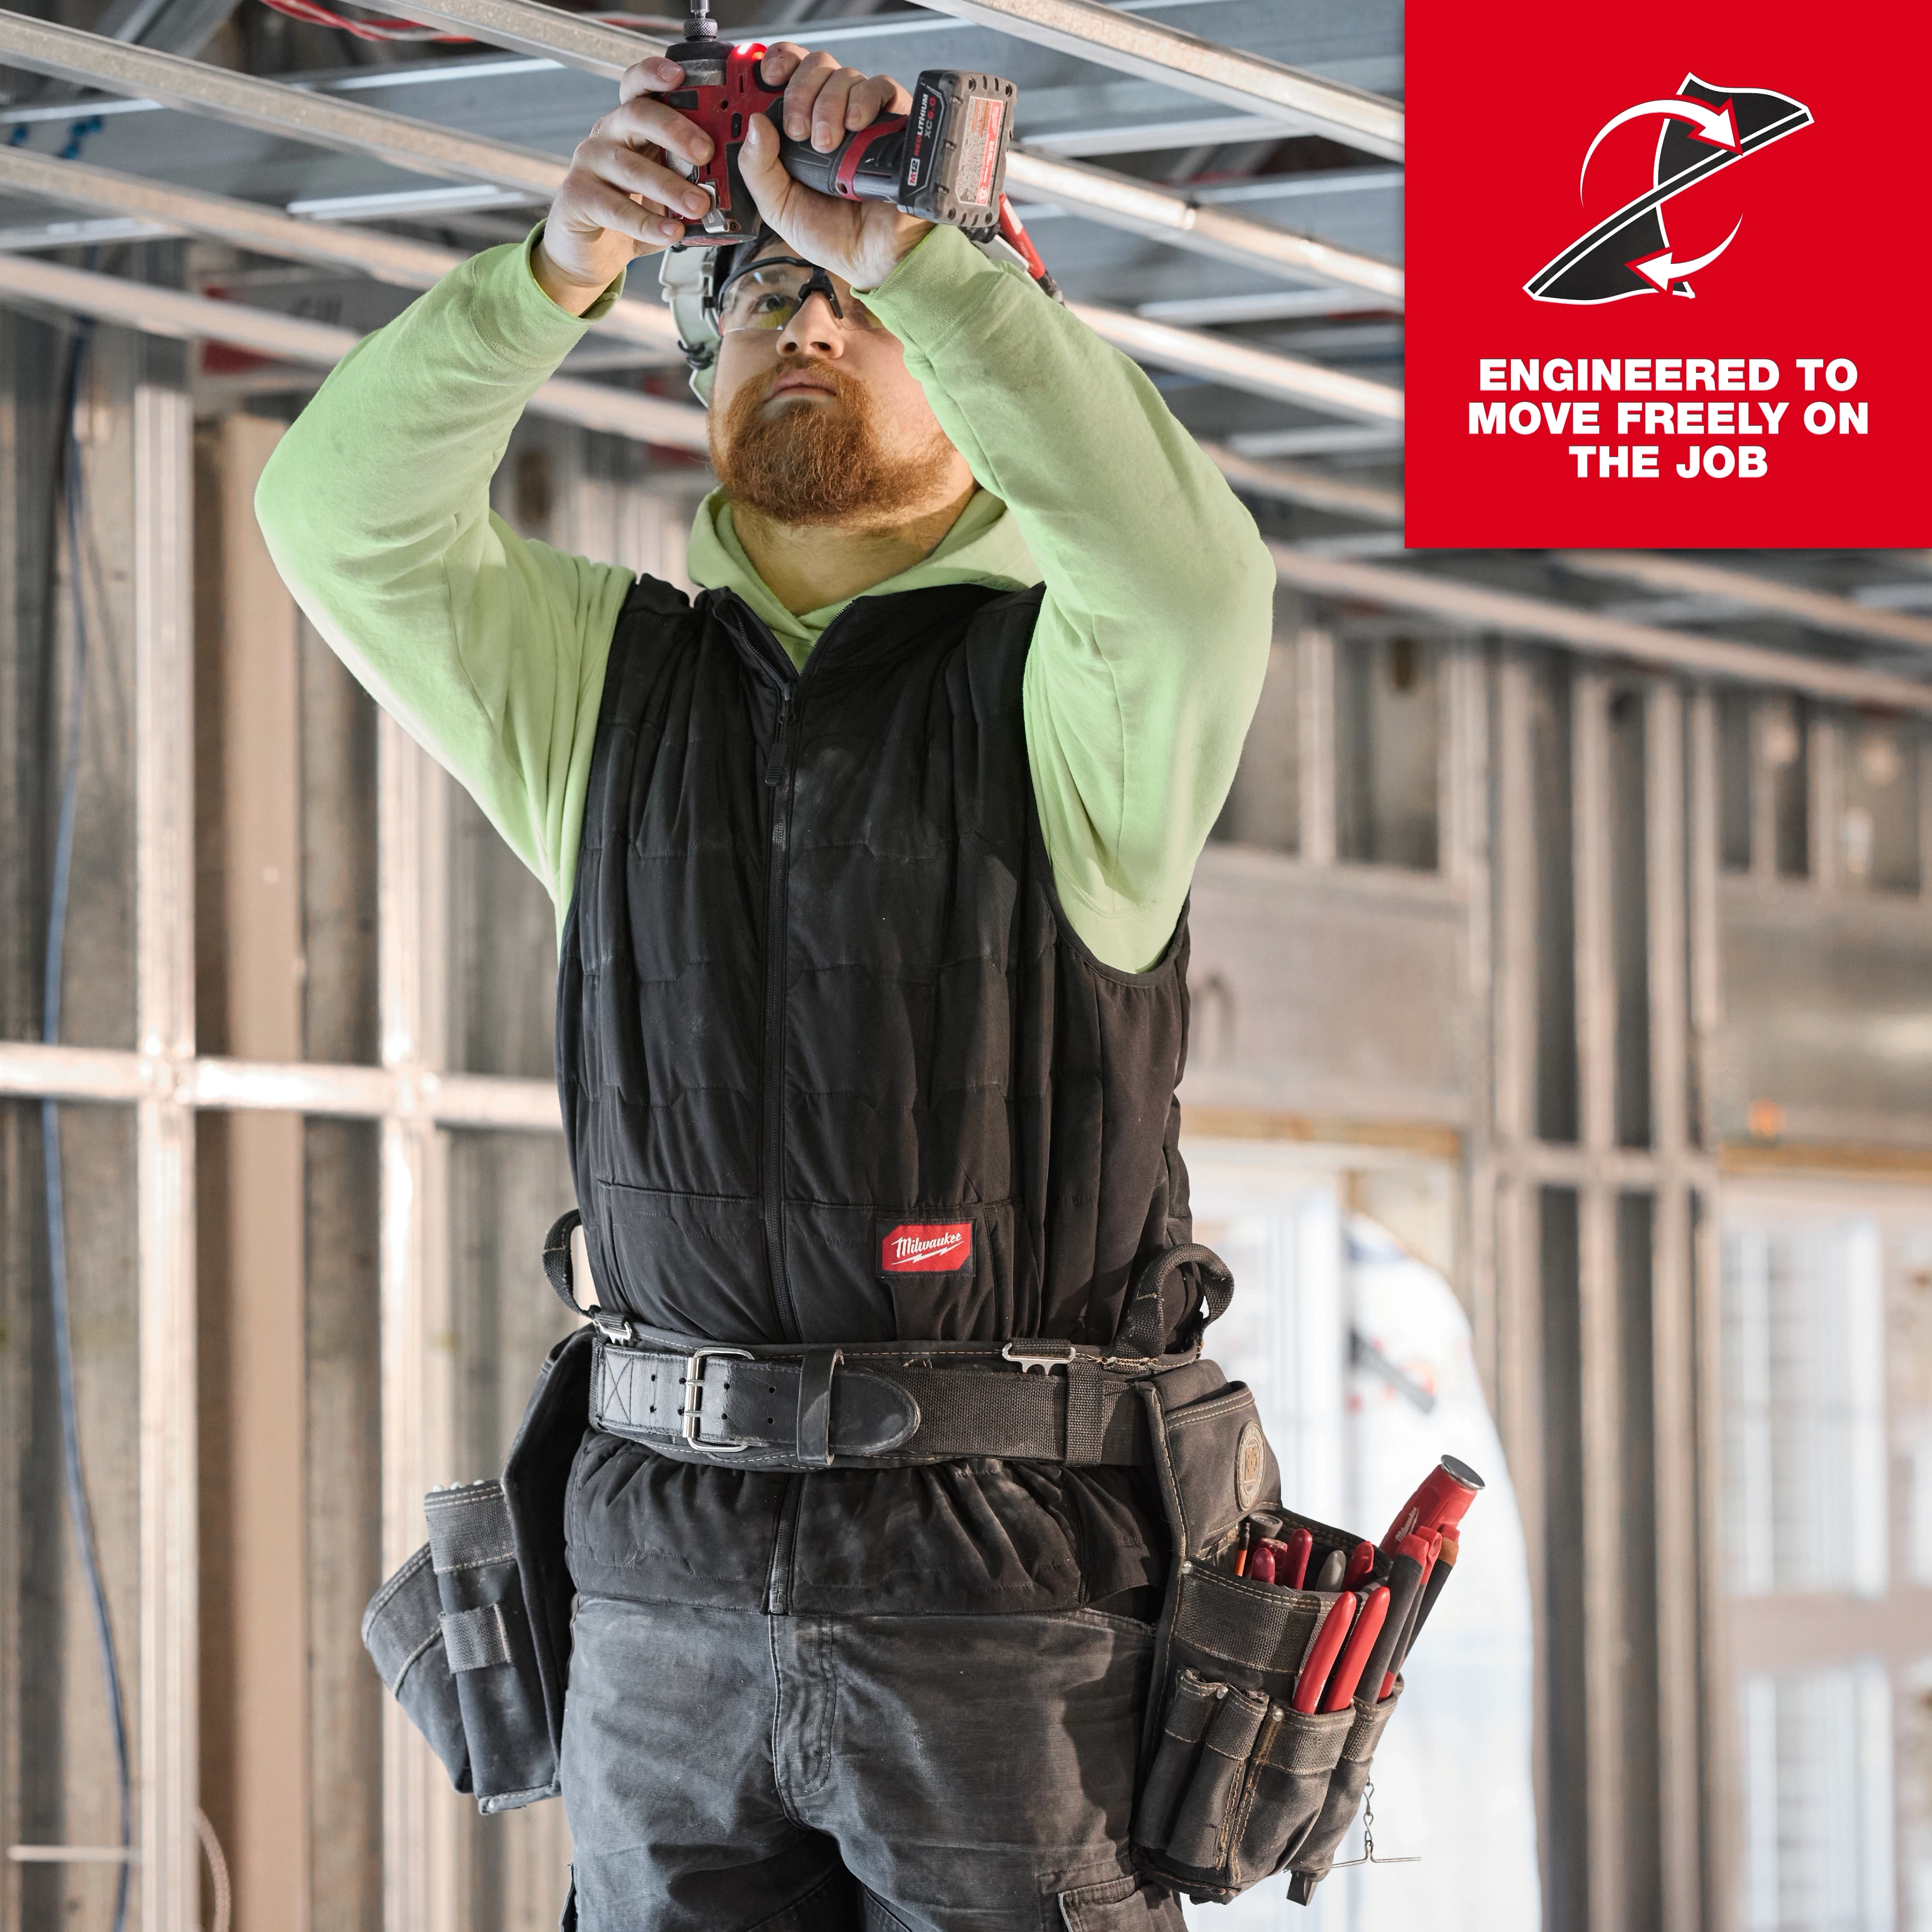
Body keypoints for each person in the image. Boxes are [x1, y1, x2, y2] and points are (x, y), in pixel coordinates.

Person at [257, 39, 1275, 1932]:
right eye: (752, 307)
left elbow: (1186, 581)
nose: (798, 320)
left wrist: (930, 265)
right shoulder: (602, 694)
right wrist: (551, 263)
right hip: (657, 1560)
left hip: (1008, 1595)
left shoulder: (1072, 696)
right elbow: (337, 525)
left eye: (849, 305)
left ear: (982, 389)